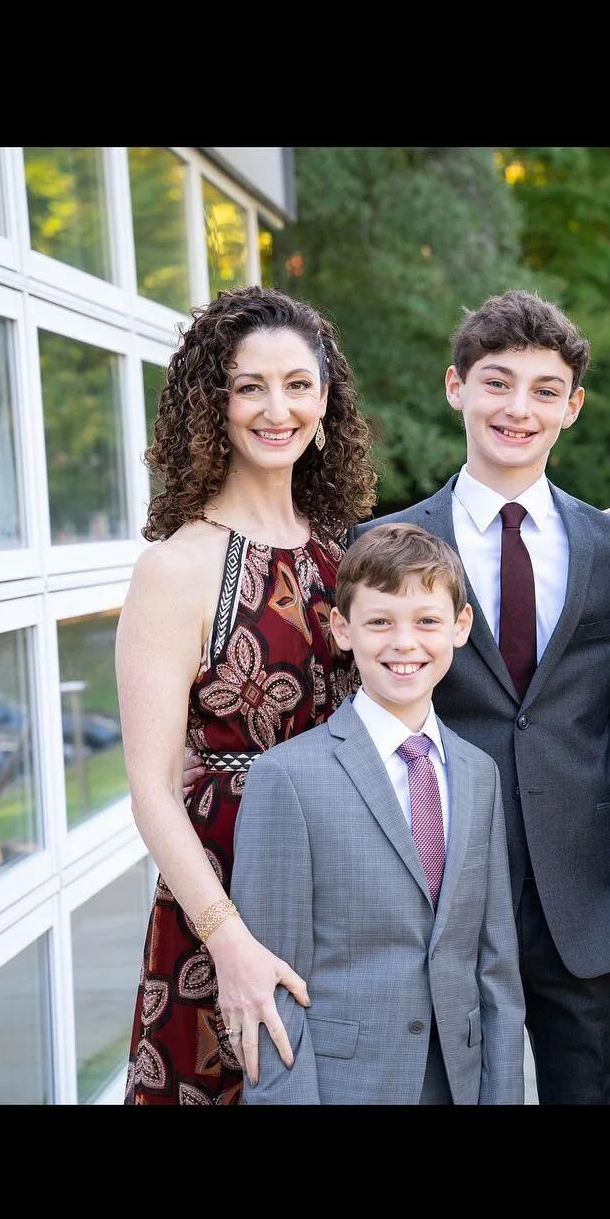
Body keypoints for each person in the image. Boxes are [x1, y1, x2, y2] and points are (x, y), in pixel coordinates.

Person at [353, 289, 610, 1105]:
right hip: (442, 875)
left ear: (573, 407)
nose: (519, 409)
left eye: (545, 390)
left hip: (585, 887)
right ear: (457, 388)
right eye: (497, 382)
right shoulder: (380, 547)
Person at [118, 284, 376, 1105]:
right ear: (213, 404)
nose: (277, 409)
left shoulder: (347, 557)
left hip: (347, 898)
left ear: (326, 401)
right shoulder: (177, 566)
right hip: (223, 903)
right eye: (250, 386)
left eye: (298, 384)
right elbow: (152, 791)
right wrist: (225, 940)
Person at [229, 522, 526, 1105]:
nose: (404, 643)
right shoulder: (288, 777)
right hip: (347, 1084)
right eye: (380, 621)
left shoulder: (477, 772)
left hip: (458, 1082)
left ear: (460, 627)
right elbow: (273, 989)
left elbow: (496, 967)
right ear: (343, 629)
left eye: (427, 621)